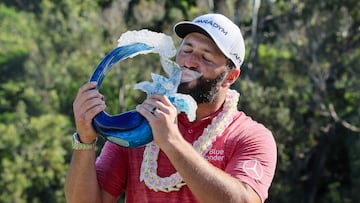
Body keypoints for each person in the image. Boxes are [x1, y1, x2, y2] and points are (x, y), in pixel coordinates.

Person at [65, 13, 277, 203]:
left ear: (230, 77)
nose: (190, 62)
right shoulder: (140, 124)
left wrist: (172, 141)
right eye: (187, 50)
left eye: (205, 57)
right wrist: (84, 140)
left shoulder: (251, 137)